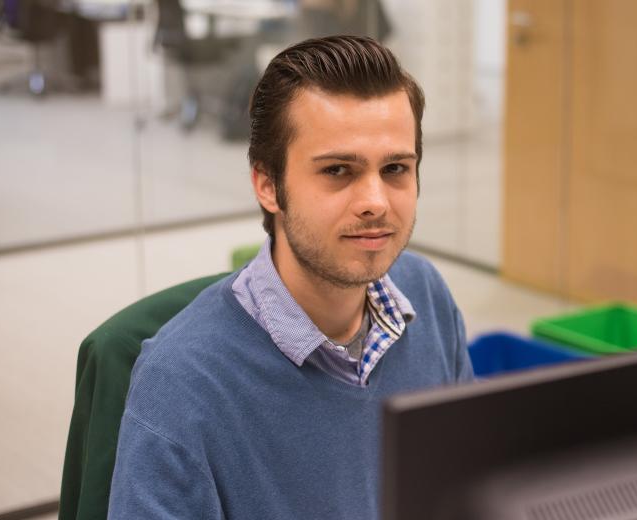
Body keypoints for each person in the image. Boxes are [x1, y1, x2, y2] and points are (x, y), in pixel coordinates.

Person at [107, 36, 474, 519]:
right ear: (267, 185)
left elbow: (471, 482)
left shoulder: (426, 294)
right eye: (339, 170)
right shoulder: (181, 385)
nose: (376, 202)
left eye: (396, 169)